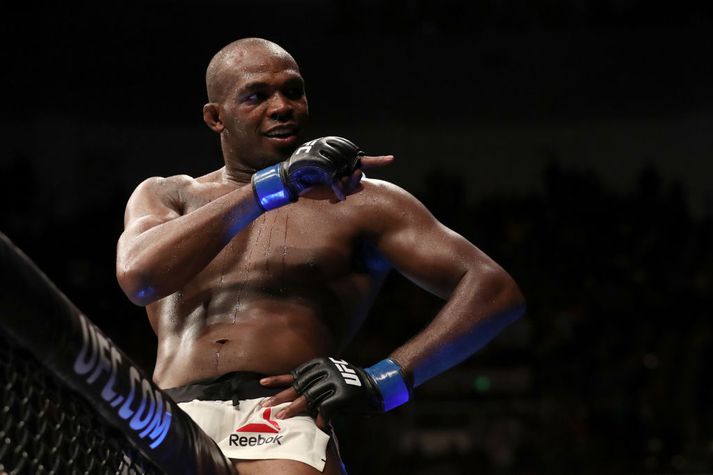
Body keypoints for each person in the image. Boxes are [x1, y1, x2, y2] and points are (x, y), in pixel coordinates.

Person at [115, 37, 526, 475]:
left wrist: (384, 381)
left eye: (293, 91)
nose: (281, 107)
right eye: (257, 96)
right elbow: (141, 277)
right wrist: (275, 185)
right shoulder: (169, 195)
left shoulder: (361, 201)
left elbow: (495, 290)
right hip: (167, 415)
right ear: (216, 117)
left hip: (280, 414)